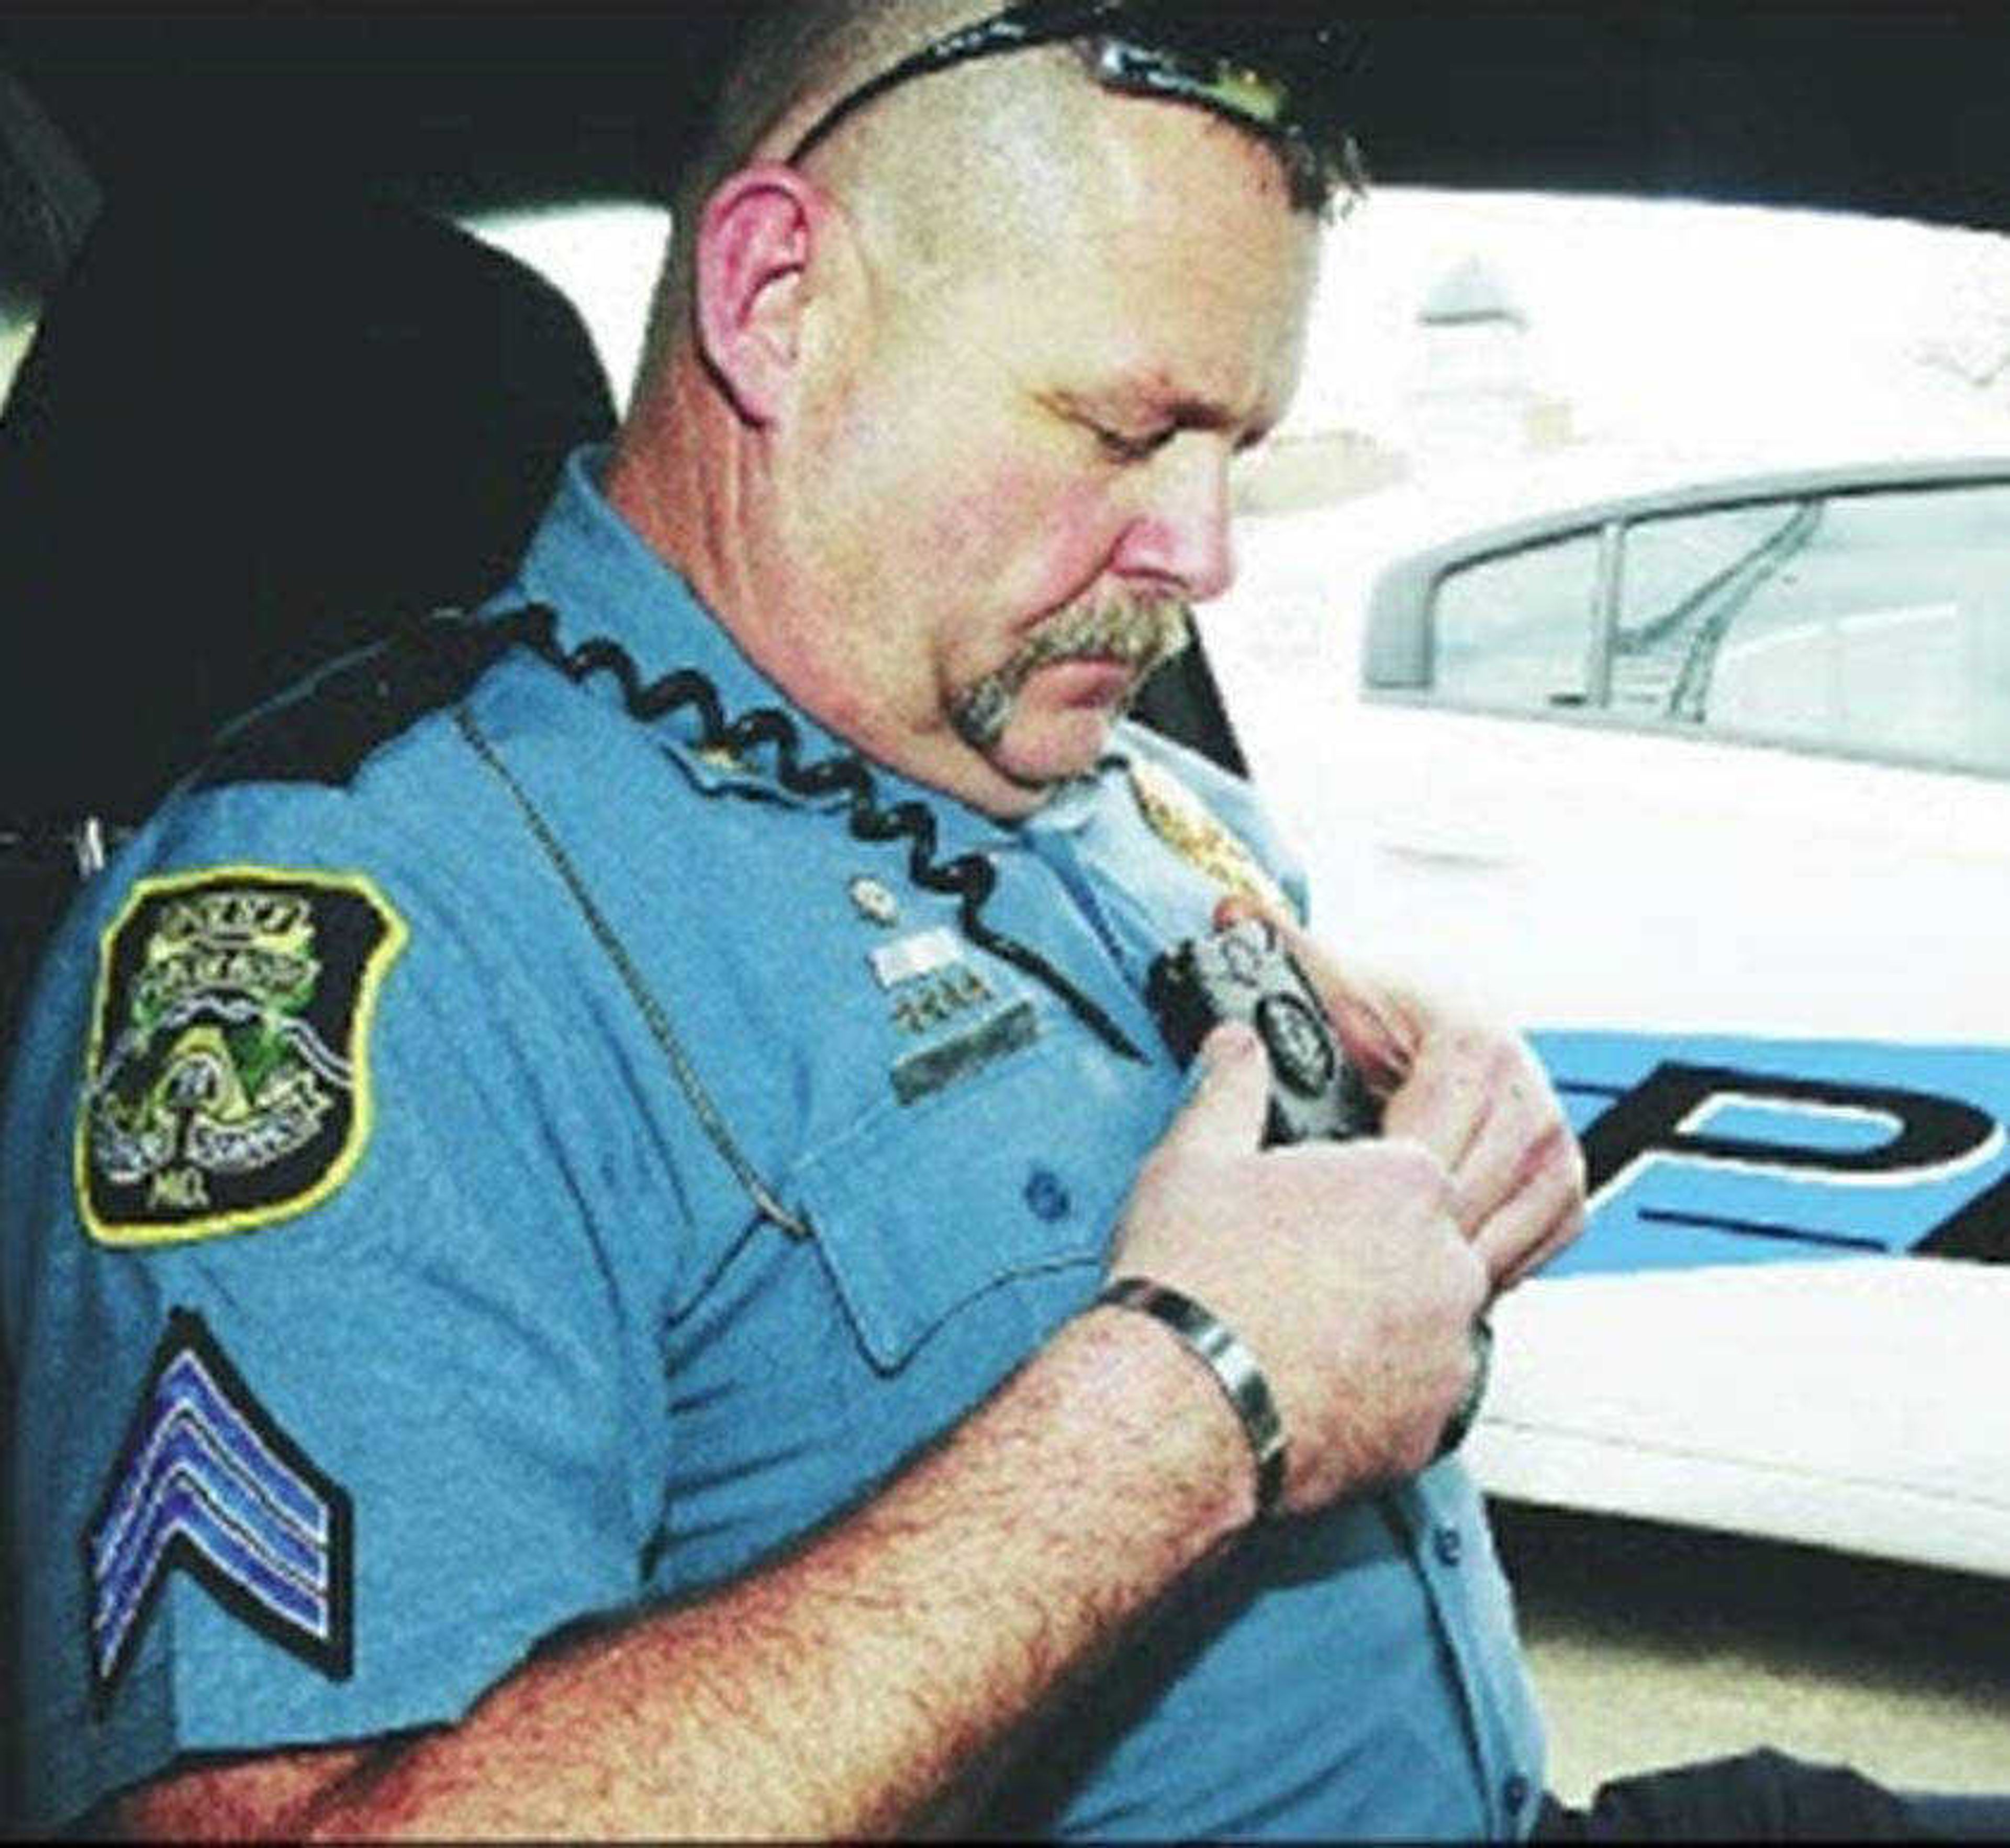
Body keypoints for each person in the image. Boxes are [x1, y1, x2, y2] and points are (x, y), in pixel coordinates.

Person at [0, 3, 1990, 1839]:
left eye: (1241, 450)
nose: (1202, 551)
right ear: (778, 302)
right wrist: (1199, 1398)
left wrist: (1434, 1181)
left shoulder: (1132, 793)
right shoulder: (366, 929)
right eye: (1127, 432)